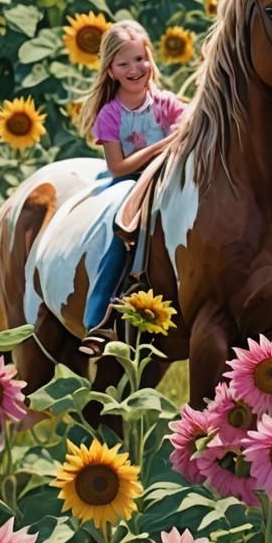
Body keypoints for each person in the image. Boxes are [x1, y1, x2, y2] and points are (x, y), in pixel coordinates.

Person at [76, 20, 186, 354]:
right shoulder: (110, 115)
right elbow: (118, 166)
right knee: (119, 234)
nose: (134, 69)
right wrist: (160, 147)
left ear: (150, 59)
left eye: (140, 59)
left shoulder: (167, 104)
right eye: (124, 64)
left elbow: (186, 136)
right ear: (110, 71)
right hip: (130, 183)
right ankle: (98, 320)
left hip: (169, 180)